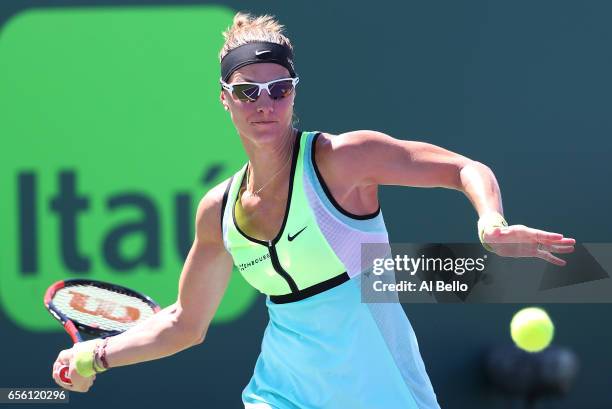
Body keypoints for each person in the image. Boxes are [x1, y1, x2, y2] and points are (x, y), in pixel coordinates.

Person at [51, 12, 576, 408]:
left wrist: (490, 221)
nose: (265, 103)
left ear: (293, 92)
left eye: (279, 89)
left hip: (383, 393)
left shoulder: (342, 160)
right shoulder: (218, 210)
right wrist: (95, 356)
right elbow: (185, 324)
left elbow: (464, 168)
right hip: (280, 393)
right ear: (225, 98)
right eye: (247, 90)